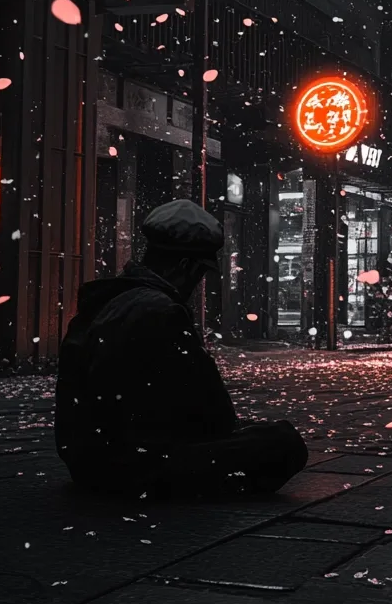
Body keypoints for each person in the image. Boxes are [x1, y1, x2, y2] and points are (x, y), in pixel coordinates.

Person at [55, 199, 308, 498]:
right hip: (129, 467)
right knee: (282, 441)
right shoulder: (163, 311)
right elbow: (215, 414)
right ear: (186, 267)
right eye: (200, 275)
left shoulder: (101, 304)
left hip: (86, 460)